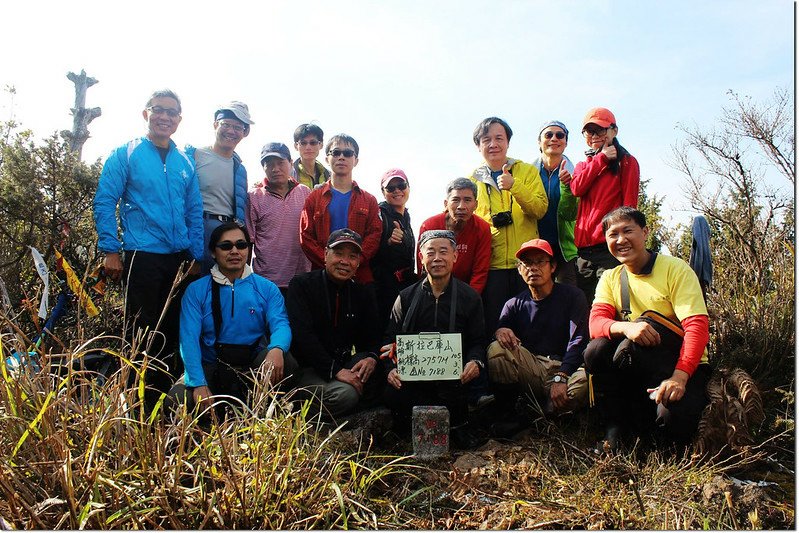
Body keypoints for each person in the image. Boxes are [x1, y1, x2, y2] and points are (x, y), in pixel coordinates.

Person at [93, 89, 203, 406]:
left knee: (172, 331)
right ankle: (135, 403)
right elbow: (104, 201)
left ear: (179, 120)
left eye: (172, 112)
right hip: (142, 256)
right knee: (140, 331)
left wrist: (196, 255)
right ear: (146, 114)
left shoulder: (184, 162)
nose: (164, 117)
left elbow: (194, 211)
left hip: (179, 260)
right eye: (158, 110)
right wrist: (110, 250)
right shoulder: (125, 154)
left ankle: (162, 404)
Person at [584, 207, 710, 450]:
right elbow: (595, 324)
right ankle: (615, 429)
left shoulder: (675, 269)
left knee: (671, 422)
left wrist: (679, 377)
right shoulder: (611, 277)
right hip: (637, 363)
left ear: (645, 232)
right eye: (613, 234)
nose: (621, 240)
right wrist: (627, 328)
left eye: (627, 231)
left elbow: (697, 327)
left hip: (681, 365)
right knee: (596, 350)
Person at [171, 222, 295, 414]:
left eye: (241, 245)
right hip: (211, 365)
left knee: (285, 361)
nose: (235, 251)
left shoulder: (267, 288)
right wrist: (197, 383)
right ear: (213, 252)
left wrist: (277, 348)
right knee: (177, 400)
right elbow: (188, 339)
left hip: (251, 364)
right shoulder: (196, 290)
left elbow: (281, 324)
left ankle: (262, 411)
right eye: (226, 246)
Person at [381, 230, 487, 449]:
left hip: (454, 378)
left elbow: (478, 341)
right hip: (414, 379)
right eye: (431, 252)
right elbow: (389, 341)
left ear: (455, 256)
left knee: (457, 400)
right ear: (421, 257)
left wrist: (475, 362)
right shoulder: (406, 297)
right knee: (394, 393)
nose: (437, 258)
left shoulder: (470, 298)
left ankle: (458, 429)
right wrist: (389, 370)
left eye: (443, 252)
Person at [487, 239, 589, 436]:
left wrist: (562, 375)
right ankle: (510, 415)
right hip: (533, 369)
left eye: (540, 262)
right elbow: (502, 329)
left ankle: (536, 415)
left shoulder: (573, 296)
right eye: (527, 263)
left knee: (586, 381)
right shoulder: (514, 303)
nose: (533, 268)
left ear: (553, 267)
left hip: (565, 369)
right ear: (519, 269)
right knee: (497, 350)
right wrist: (500, 331)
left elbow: (578, 341)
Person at [286, 229, 383, 420]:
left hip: (342, 365)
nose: (345, 262)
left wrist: (371, 358)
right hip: (307, 369)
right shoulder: (302, 285)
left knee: (382, 374)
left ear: (358, 262)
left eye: (352, 256)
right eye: (338, 254)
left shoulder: (361, 293)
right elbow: (304, 336)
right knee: (346, 395)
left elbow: (373, 337)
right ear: (325, 254)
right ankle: (291, 410)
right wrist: (336, 371)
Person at [468, 117, 548, 339]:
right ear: (478, 146)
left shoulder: (526, 171)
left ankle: (533, 369)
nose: (493, 144)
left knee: (529, 324)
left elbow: (540, 209)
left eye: (499, 138)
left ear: (508, 142)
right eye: (486, 140)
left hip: (524, 264)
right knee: (495, 325)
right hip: (491, 266)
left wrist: (515, 187)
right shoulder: (472, 180)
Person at [570, 107, 640, 304]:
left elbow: (629, 207)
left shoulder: (627, 162)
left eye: (600, 130)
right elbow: (577, 188)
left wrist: (626, 243)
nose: (594, 136)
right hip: (583, 250)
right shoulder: (584, 164)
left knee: (610, 302)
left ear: (614, 131)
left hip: (609, 247)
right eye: (589, 131)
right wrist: (600, 159)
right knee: (585, 305)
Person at [299, 134, 382, 285]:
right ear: (326, 159)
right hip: (321, 277)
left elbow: (374, 236)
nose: (341, 157)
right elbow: (306, 236)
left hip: (359, 278)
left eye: (348, 153)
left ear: (355, 160)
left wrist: (354, 261)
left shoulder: (369, 200)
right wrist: (328, 261)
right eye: (336, 152)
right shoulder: (314, 198)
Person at [185, 101, 254, 274]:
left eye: (238, 127)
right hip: (197, 230)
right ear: (215, 124)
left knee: (220, 291)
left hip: (226, 236)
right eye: (226, 124)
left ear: (244, 132)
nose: (231, 131)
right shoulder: (194, 157)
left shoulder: (239, 168)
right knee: (191, 286)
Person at [246, 142, 312, 295]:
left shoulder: (304, 192)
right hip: (266, 280)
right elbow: (249, 240)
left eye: (280, 163)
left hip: (300, 277)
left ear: (290, 163)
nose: (275, 169)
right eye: (269, 164)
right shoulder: (254, 197)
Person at [417, 178, 491, 295]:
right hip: (433, 289)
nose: (461, 206)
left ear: (475, 205)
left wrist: (470, 300)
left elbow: (480, 271)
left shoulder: (482, 228)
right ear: (446, 204)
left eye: (467, 200)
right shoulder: (429, 225)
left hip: (466, 290)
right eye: (456, 200)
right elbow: (422, 266)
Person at [531, 120, 578, 285]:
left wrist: (568, 187)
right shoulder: (527, 174)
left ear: (565, 143)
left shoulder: (577, 173)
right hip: (536, 245)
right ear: (539, 142)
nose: (554, 139)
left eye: (560, 135)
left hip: (564, 248)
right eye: (548, 135)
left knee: (567, 298)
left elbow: (571, 214)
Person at [372, 168, 416, 331]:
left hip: (403, 287)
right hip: (384, 289)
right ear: (383, 193)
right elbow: (368, 250)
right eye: (391, 188)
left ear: (408, 188)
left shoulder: (406, 216)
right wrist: (388, 242)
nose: (397, 190)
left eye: (401, 185)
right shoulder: (379, 214)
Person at [293, 123, 330, 189]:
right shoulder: (289, 175)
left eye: (313, 143)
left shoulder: (328, 176)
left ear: (321, 145)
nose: (308, 147)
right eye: (303, 143)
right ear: (296, 146)